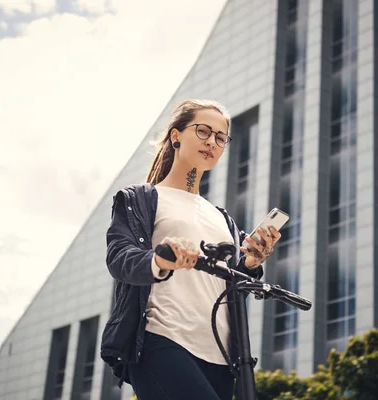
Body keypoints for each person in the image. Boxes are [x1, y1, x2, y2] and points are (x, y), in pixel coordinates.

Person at [100, 99, 281, 400]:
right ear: (176, 136)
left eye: (220, 137)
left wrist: (249, 262)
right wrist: (160, 258)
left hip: (221, 357)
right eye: (203, 131)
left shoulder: (222, 218)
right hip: (163, 341)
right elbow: (119, 257)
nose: (212, 141)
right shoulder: (141, 199)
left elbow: (232, 282)